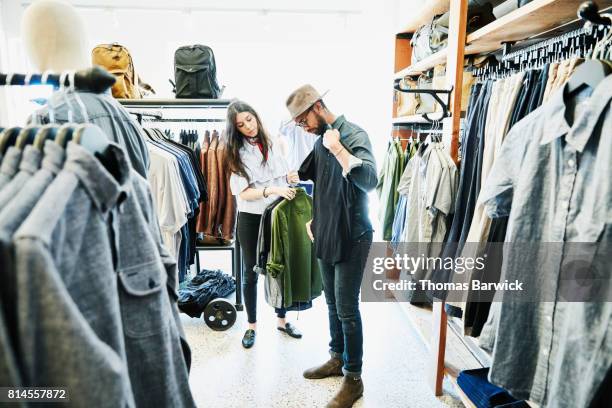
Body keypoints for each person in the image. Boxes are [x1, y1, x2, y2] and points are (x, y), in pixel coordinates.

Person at [286, 85, 377, 408]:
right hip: (326, 232)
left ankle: (354, 378)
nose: (304, 127)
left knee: (348, 309)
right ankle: (337, 357)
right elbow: (314, 179)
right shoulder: (319, 141)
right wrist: (314, 216)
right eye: (298, 124)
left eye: (303, 120)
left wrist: (339, 150)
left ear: (318, 107)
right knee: (333, 305)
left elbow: (369, 180)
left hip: (353, 235)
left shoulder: (351, 135)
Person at [226, 100, 302, 349]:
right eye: (241, 125)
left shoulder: (277, 142)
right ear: (235, 129)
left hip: (277, 214)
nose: (248, 126)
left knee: (280, 266)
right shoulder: (235, 153)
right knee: (251, 272)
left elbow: (287, 175)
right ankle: (251, 326)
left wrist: (291, 177)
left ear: (256, 116)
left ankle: (282, 320)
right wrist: (271, 189)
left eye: (249, 119)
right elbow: (243, 193)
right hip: (251, 217)